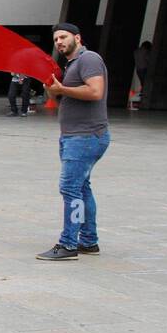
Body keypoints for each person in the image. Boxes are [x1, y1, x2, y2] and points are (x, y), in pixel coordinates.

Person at [37, 23, 110, 261]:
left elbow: (96, 92)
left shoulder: (89, 59)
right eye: (56, 39)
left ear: (77, 38)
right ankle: (88, 241)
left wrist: (63, 89)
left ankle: (69, 244)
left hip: (86, 136)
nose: (59, 42)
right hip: (74, 136)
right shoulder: (69, 65)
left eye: (64, 37)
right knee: (81, 187)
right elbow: (56, 94)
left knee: (70, 189)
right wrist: (51, 87)